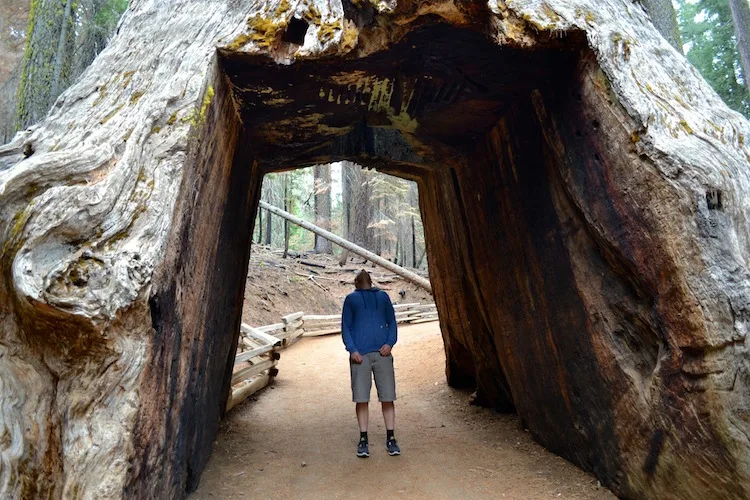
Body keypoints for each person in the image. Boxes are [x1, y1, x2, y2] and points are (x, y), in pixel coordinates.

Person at [341, 269, 401, 458]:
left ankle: (391, 437)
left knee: (387, 396)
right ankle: (363, 438)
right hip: (361, 355)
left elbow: (392, 321)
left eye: (365, 275)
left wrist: (390, 343)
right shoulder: (351, 300)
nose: (363, 274)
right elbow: (345, 326)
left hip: (382, 354)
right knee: (361, 398)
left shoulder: (383, 297)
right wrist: (352, 350)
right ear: (356, 282)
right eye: (360, 276)